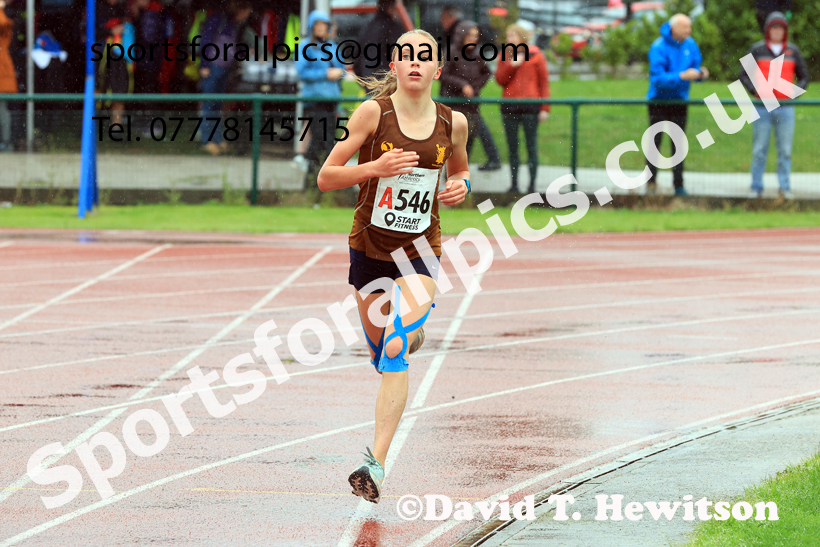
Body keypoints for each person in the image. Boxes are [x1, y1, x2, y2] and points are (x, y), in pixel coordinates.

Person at [317, 29, 469, 504]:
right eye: (408, 56)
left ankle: (374, 463)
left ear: (437, 69)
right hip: (370, 250)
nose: (417, 63)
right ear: (397, 67)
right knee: (381, 352)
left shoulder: (454, 122)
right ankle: (406, 330)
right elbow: (326, 176)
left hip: (421, 251)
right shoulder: (372, 114)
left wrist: (460, 185)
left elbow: (460, 169)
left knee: (397, 346)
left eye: (426, 57)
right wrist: (373, 170)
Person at [739, 11, 809, 200]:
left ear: (785, 31)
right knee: (759, 149)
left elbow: (804, 77)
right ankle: (756, 187)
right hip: (762, 106)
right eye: (774, 27)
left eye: (781, 28)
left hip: (785, 108)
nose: (777, 31)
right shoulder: (757, 49)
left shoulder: (793, 51)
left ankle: (784, 188)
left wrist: (793, 92)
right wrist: (755, 90)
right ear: (768, 30)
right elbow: (743, 74)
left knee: (785, 150)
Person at [645, 13, 708, 197]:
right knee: (655, 144)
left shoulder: (691, 44)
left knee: (678, 145)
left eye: (689, 27)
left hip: (680, 100)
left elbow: (695, 69)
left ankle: (678, 186)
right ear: (674, 28)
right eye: (685, 27)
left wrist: (701, 74)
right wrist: (680, 76)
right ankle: (651, 184)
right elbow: (657, 79)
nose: (689, 31)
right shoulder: (658, 46)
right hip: (659, 101)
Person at [495, 23, 550, 193]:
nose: (509, 39)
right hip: (510, 106)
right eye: (508, 36)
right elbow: (500, 79)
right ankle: (514, 184)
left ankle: (532, 185)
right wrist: (512, 65)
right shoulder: (505, 55)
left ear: (522, 37)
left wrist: (545, 108)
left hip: (530, 107)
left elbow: (543, 83)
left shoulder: (536, 55)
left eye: (513, 35)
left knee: (531, 146)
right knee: (512, 147)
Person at [439, 20, 501, 171]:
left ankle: (462, 172)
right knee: (452, 140)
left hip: (471, 105)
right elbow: (443, 75)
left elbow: (486, 72)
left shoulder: (476, 53)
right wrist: (462, 85)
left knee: (471, 137)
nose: (473, 38)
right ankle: (451, 172)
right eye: (470, 35)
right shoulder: (451, 52)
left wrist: (474, 87)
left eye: (475, 35)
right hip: (453, 103)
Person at [295, 10, 346, 179]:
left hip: (331, 99)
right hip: (315, 99)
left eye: (323, 25)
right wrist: (325, 74)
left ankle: (318, 178)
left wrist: (339, 73)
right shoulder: (305, 46)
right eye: (317, 24)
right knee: (320, 137)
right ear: (311, 26)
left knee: (327, 138)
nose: (320, 28)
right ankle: (316, 177)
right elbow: (301, 72)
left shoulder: (333, 46)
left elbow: (342, 70)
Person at [199, 0, 252, 155]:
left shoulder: (233, 24)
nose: (246, 16)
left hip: (224, 68)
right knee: (209, 103)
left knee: (217, 104)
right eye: (245, 12)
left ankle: (217, 138)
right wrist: (204, 65)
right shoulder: (217, 20)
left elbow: (231, 48)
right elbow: (205, 41)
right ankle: (206, 140)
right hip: (213, 67)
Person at [353, 0, 403, 85]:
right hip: (388, 82)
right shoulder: (393, 28)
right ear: (391, 8)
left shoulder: (366, 28)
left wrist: (364, 79)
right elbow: (398, 55)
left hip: (369, 82)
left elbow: (356, 57)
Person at [0, 0, 18, 152]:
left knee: (2, 109)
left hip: (2, 73)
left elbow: (3, 23)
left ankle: (6, 143)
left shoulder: (5, 24)